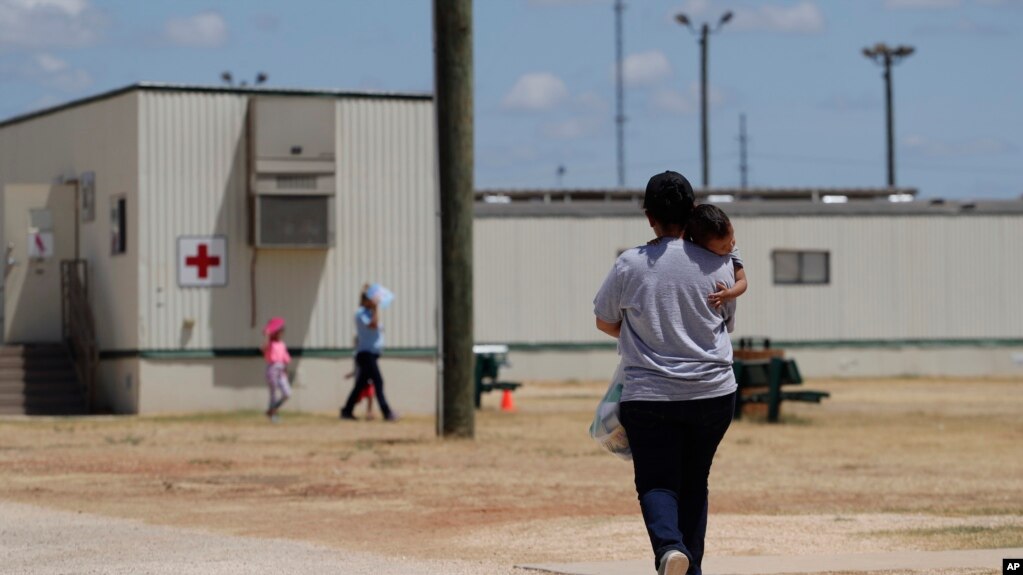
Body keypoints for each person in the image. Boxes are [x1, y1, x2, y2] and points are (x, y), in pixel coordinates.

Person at [593, 170, 738, 575]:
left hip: (650, 394)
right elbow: (723, 323)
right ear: (692, 211)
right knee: (695, 481)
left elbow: (604, 321)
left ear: (648, 216)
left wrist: (642, 334)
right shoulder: (719, 264)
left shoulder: (630, 264)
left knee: (658, 482)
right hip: (714, 392)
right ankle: (689, 569)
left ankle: (670, 549)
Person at [340, 286, 397, 422]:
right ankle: (387, 412)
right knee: (378, 381)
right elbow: (373, 325)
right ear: (366, 300)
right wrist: (376, 309)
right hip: (366, 354)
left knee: (360, 385)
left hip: (372, 354)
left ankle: (346, 410)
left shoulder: (370, 313)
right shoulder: (361, 313)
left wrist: (374, 310)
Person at [261, 317, 292, 423]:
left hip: (281, 370)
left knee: (287, 393)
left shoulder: (282, 344)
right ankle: (273, 415)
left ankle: (272, 410)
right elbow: (264, 349)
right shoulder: (270, 344)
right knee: (273, 393)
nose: (281, 333)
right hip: (272, 369)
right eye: (279, 331)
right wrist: (266, 335)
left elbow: (285, 359)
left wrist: (286, 370)